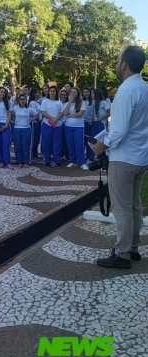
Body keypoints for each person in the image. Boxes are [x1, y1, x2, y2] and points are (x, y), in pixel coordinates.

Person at [93, 46, 148, 269]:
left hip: (124, 158)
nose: (117, 64)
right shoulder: (144, 88)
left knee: (122, 208)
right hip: (140, 156)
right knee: (134, 205)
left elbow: (118, 130)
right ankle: (133, 247)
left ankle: (123, 254)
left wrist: (100, 146)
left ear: (124, 63)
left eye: (118, 60)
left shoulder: (126, 90)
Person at [62, 86, 88, 170]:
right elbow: (65, 113)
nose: (73, 94)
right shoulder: (67, 103)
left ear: (77, 94)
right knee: (70, 144)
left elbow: (80, 113)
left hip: (78, 126)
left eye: (74, 93)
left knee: (79, 144)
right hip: (68, 126)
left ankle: (82, 162)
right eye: (72, 92)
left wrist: (71, 115)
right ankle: (73, 161)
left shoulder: (82, 102)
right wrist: (70, 101)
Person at [10, 93, 38, 168]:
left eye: (24, 99)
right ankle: (19, 161)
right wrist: (13, 119)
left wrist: (30, 121)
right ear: (18, 100)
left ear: (26, 100)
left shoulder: (29, 109)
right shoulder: (15, 108)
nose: (22, 101)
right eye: (21, 99)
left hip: (26, 129)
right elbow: (10, 114)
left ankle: (26, 161)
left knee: (26, 146)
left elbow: (37, 115)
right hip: (17, 129)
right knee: (18, 146)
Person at [40, 86, 64, 167]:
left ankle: (57, 160)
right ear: (48, 92)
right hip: (47, 124)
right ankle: (47, 160)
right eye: (51, 91)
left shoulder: (59, 102)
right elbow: (43, 112)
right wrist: (52, 118)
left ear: (56, 93)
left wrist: (56, 119)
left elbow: (61, 113)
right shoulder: (45, 101)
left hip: (57, 125)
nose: (52, 92)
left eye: (54, 91)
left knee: (57, 143)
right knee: (47, 142)